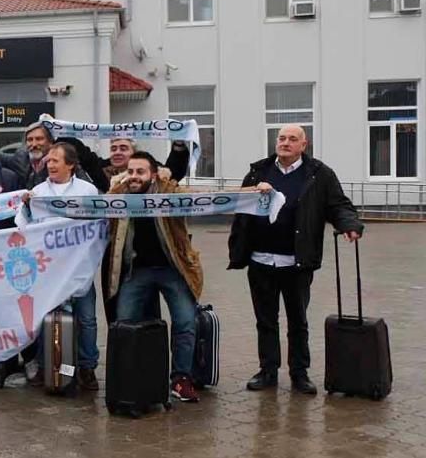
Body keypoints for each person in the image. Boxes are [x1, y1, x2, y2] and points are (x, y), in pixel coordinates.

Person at [228, 125, 363, 395]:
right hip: (261, 260)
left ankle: (299, 373)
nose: (285, 143)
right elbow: (239, 207)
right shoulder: (258, 172)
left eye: (292, 139)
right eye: (281, 138)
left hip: (296, 262)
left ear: (304, 144)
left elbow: (338, 205)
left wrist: (349, 224)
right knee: (265, 320)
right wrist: (253, 195)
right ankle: (267, 371)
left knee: (298, 320)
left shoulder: (319, 174)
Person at [101, 151, 203, 403]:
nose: (134, 177)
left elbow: (195, 199)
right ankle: (129, 378)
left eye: (140, 172)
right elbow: (101, 213)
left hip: (173, 269)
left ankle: (181, 379)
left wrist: (257, 191)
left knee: (185, 322)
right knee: (123, 322)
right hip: (138, 271)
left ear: (153, 174)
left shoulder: (168, 190)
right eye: (131, 171)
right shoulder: (120, 195)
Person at [16, 142, 102, 391]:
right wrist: (25, 205)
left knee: (87, 319)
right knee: (47, 319)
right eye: (48, 161)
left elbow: (97, 225)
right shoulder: (38, 192)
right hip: (50, 271)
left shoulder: (87, 191)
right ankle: (49, 366)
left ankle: (87, 367)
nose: (50, 164)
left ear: (71, 164)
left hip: (80, 268)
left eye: (55, 160)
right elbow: (24, 227)